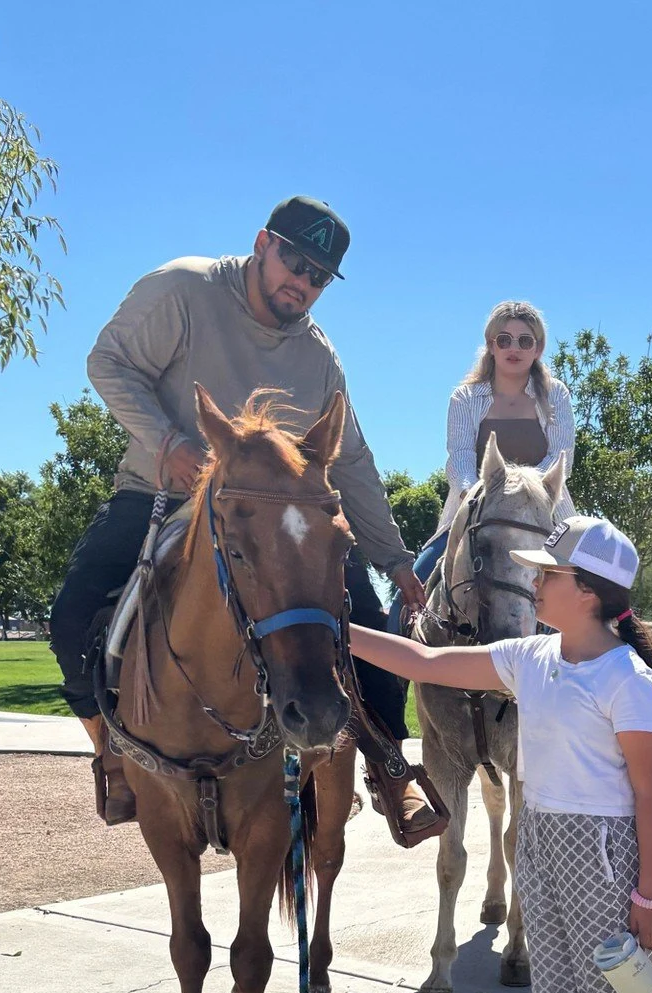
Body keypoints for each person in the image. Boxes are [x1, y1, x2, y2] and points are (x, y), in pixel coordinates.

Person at [49, 196, 427, 826]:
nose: (301, 283)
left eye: (318, 276)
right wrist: (168, 444)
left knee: (366, 628)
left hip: (275, 518)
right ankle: (110, 751)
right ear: (262, 242)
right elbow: (107, 362)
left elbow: (352, 462)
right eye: (294, 261)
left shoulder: (320, 358)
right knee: (70, 620)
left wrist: (395, 559)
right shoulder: (183, 289)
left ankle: (390, 768)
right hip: (161, 491)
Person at [349, 516, 652, 993]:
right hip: (541, 842)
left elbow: (651, 793)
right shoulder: (533, 656)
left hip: (604, 854)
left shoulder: (628, 679)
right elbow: (426, 663)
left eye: (547, 573)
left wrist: (649, 896)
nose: (533, 580)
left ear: (586, 592)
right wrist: (333, 630)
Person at [406, 301, 576, 608]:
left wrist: (516, 496)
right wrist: (479, 495)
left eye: (525, 341)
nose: (514, 348)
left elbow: (562, 457)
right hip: (475, 509)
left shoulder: (557, 394)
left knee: (594, 587)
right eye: (504, 339)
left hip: (545, 513)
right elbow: (459, 459)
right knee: (411, 591)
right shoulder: (464, 398)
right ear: (491, 346)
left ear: (537, 349)